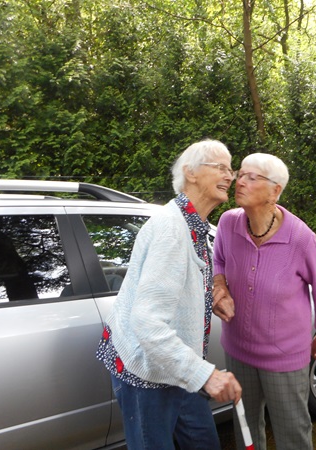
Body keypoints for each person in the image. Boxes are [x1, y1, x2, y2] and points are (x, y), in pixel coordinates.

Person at [96, 139, 242, 450]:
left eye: (231, 169)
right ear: (190, 172)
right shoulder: (171, 229)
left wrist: (208, 295)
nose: (230, 176)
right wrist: (207, 376)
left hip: (177, 368)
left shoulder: (195, 225)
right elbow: (147, 323)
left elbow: (178, 282)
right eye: (220, 167)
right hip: (146, 371)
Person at [212, 153, 316, 450]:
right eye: (241, 174)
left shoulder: (300, 237)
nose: (239, 181)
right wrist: (220, 288)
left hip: (283, 356)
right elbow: (218, 261)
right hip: (238, 349)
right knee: (245, 426)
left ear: (275, 191)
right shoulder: (228, 223)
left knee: (291, 429)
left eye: (252, 178)